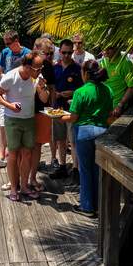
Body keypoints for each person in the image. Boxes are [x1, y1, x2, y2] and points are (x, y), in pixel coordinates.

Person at [59, 60, 113, 217]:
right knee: (97, 170)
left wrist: (59, 117)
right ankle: (98, 204)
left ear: (85, 74)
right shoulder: (107, 89)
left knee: (85, 170)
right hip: (102, 132)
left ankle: (87, 207)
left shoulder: (80, 92)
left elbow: (74, 117)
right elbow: (109, 113)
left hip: (84, 133)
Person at [0, 52, 48, 201]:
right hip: (13, 121)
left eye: (41, 68)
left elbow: (44, 98)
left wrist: (43, 88)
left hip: (29, 120)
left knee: (27, 154)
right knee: (13, 154)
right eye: (37, 69)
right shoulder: (11, 76)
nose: (39, 72)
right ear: (27, 66)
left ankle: (24, 186)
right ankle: (13, 188)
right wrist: (9, 105)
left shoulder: (36, 78)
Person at [0, 30, 31, 170]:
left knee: (19, 125)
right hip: (6, 93)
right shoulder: (5, 52)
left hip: (21, 95)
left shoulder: (27, 53)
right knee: (2, 125)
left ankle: (16, 157)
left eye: (8, 43)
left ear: (16, 41)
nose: (6, 46)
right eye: (5, 44)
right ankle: (1, 156)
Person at [51, 39, 83, 182]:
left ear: (73, 52)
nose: (66, 55)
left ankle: (76, 169)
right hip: (57, 108)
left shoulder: (78, 68)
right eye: (64, 52)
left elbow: (82, 89)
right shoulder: (55, 68)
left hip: (72, 109)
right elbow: (50, 87)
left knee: (73, 140)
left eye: (69, 53)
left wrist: (71, 93)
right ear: (59, 52)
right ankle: (63, 166)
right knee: (60, 139)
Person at [29, 38, 54, 191]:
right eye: (46, 53)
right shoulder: (26, 62)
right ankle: (16, 180)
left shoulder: (49, 66)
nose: (49, 56)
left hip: (42, 110)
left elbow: (52, 87)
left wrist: (52, 107)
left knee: (37, 145)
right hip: (24, 111)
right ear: (36, 49)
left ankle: (32, 178)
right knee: (22, 147)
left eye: (51, 53)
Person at [100, 44, 133, 118]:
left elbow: (132, 87)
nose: (106, 50)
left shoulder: (125, 63)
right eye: (104, 47)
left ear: (118, 47)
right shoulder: (103, 61)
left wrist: (120, 105)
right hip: (102, 107)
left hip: (115, 110)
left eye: (110, 47)